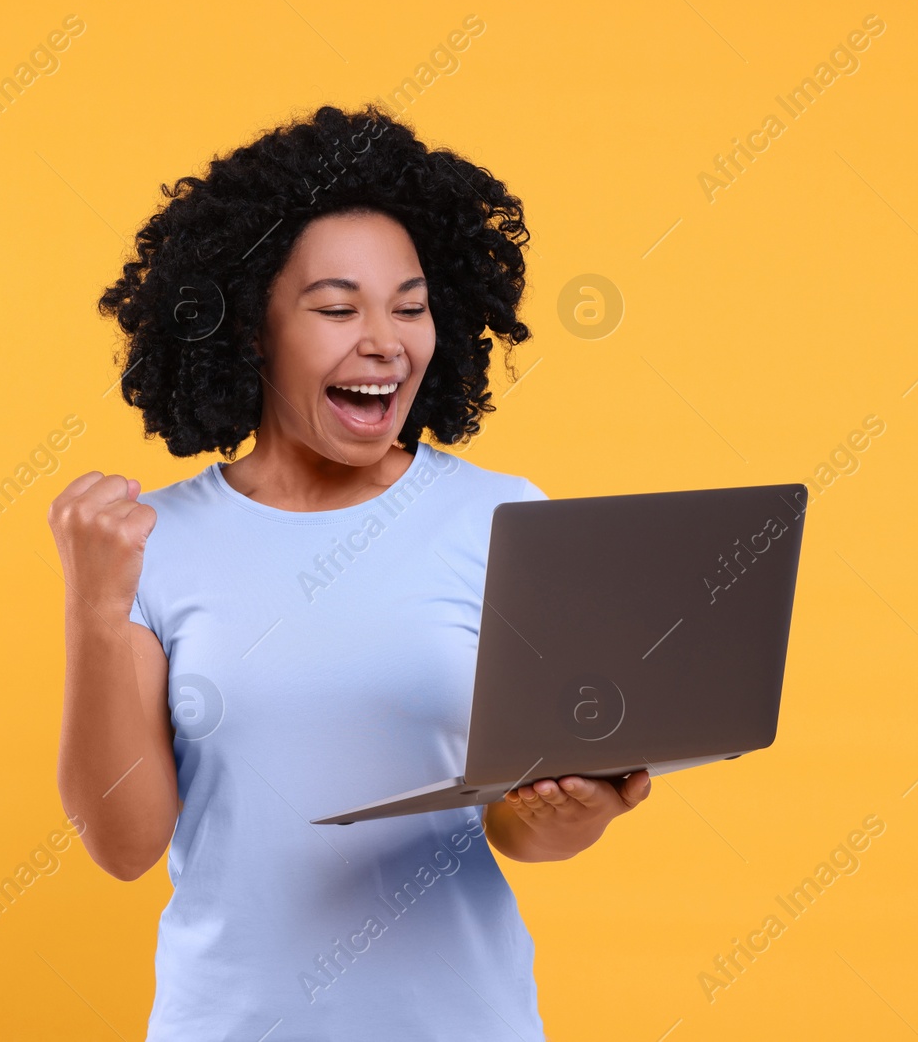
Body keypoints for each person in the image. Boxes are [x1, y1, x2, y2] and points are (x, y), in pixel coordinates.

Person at [49, 104, 652, 1040]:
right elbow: (125, 847)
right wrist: (93, 613)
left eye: (410, 307)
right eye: (338, 308)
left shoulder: (501, 520)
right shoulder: (151, 541)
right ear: (253, 329)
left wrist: (576, 810)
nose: (385, 341)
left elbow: (523, 834)